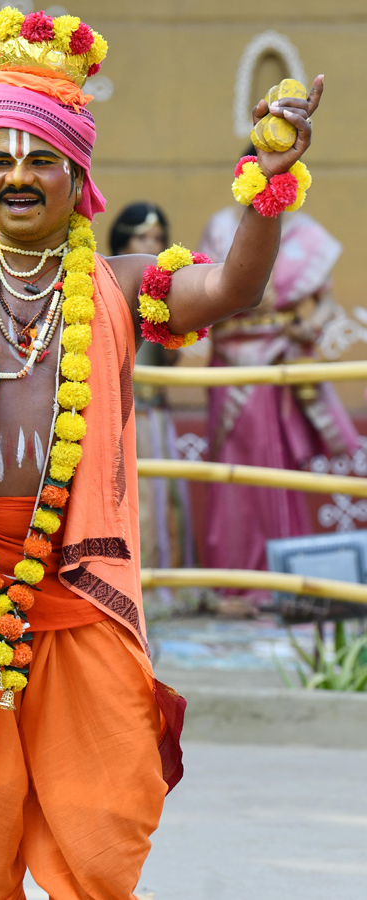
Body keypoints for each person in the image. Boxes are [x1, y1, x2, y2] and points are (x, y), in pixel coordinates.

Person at [0, 10, 322, 898]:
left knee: (106, 804)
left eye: (39, 157)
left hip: (78, 577)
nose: (17, 176)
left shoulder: (120, 285)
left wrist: (266, 185)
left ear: (77, 176)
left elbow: (233, 288)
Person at [199, 145, 358, 611]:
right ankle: (235, 585)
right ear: (245, 173)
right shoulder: (221, 227)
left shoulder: (304, 232)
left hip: (280, 365)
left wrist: (312, 325)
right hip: (231, 366)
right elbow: (206, 289)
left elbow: (324, 300)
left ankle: (284, 581)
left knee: (278, 469)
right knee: (232, 472)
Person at [110, 203, 195, 605]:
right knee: (135, 502)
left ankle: (169, 595)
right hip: (124, 415)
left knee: (168, 501)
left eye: (159, 239)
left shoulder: (161, 291)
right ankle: (133, 591)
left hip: (156, 414)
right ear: (124, 241)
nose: (154, 245)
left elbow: (172, 354)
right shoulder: (116, 287)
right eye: (144, 238)